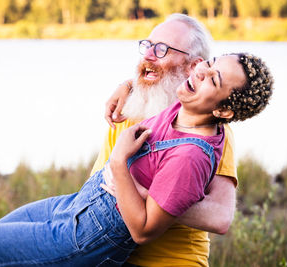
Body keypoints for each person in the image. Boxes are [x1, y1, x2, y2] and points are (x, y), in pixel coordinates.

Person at [0, 52, 274, 267]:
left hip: (89, 235)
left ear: (224, 110)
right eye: (210, 62)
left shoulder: (191, 156)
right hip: (77, 206)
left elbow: (143, 230)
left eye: (213, 79)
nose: (201, 72)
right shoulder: (187, 104)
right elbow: (161, 74)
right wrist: (126, 84)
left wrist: (118, 163)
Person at [92, 13, 236, 266]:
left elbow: (220, 217)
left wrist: (147, 196)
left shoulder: (208, 129)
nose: (148, 55)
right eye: (147, 46)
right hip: (108, 254)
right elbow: (97, 187)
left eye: (162, 50)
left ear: (194, 66)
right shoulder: (127, 109)